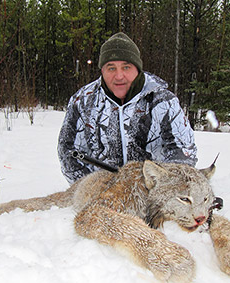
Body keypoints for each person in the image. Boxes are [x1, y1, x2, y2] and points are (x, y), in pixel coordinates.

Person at [58, 32, 197, 184]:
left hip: (153, 191)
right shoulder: (83, 101)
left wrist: (162, 187)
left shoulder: (164, 101)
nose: (119, 76)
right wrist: (92, 188)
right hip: (100, 192)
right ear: (102, 70)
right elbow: (68, 152)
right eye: (111, 68)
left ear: (137, 69)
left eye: (126, 67)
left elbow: (183, 152)